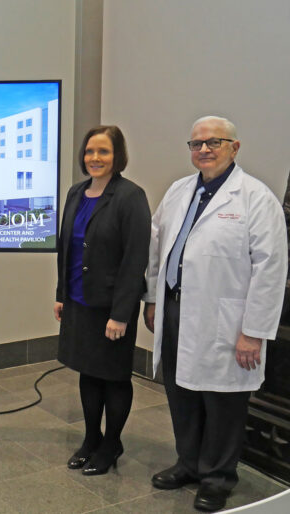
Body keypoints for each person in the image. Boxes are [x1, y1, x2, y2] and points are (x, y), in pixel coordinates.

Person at [144, 116, 287, 512]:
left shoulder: (255, 198)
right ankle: (188, 463)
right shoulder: (178, 191)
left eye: (213, 142)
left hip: (227, 320)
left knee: (223, 402)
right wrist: (153, 299)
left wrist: (253, 331)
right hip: (175, 309)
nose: (203, 150)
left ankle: (218, 477)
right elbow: (157, 247)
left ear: (234, 148)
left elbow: (271, 268)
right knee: (181, 392)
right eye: (195, 144)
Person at [54, 125, 151, 476]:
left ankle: (112, 443)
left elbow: (135, 258)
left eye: (104, 152)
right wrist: (61, 295)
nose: (95, 158)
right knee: (88, 373)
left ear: (117, 156)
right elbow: (66, 247)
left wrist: (122, 314)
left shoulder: (130, 196)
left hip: (111, 308)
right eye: (90, 151)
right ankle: (91, 438)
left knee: (113, 377)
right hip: (79, 301)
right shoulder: (76, 193)